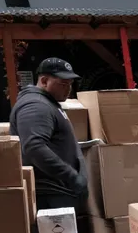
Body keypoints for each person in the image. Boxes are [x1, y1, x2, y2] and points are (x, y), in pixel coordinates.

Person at [10, 58, 88, 213]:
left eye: (70, 84)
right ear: (44, 81)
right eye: (63, 84)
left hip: (58, 195)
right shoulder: (36, 105)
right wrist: (71, 176)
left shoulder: (45, 103)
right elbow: (34, 147)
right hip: (51, 198)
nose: (68, 89)